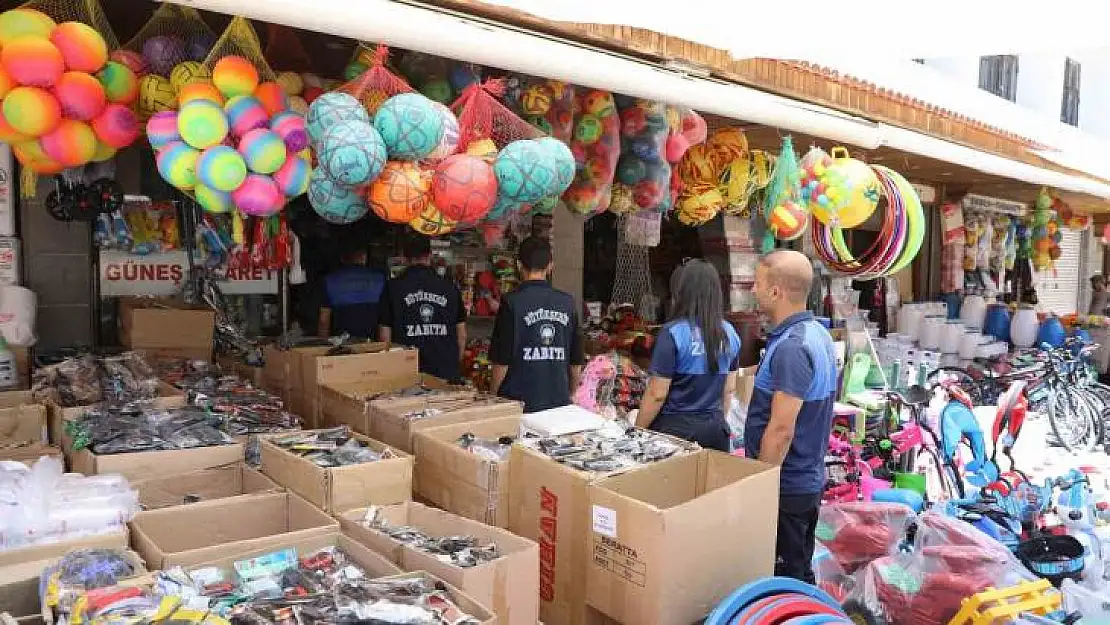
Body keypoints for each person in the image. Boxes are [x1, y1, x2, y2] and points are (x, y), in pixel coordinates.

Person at [745, 250, 837, 584]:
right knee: (797, 572)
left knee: (783, 581)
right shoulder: (816, 334)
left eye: (757, 283)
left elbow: (781, 430)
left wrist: (760, 488)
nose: (752, 290)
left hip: (787, 487)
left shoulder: (792, 347)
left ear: (776, 292)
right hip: (803, 481)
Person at [634, 260, 741, 451]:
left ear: (682, 291)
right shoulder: (729, 333)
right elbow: (729, 390)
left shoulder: (673, 332)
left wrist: (637, 431)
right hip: (715, 431)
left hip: (675, 434)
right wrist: (717, 422)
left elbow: (656, 394)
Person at [490, 236, 584, 413]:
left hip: (518, 404)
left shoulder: (512, 302)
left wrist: (493, 396)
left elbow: (501, 360)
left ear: (518, 265)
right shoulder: (567, 303)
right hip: (558, 403)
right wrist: (571, 393)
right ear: (550, 266)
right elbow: (576, 359)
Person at [379, 235, 467, 382]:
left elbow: (384, 336)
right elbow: (462, 335)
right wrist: (453, 367)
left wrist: (390, 370)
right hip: (445, 375)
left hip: (406, 375)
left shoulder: (393, 288)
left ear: (404, 257)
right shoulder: (449, 287)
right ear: (430, 255)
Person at [318, 247, 386, 339]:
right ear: (364, 257)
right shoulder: (380, 279)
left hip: (342, 344)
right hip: (371, 343)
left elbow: (323, 321)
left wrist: (323, 346)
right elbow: (385, 321)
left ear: (342, 258)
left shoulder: (330, 280)